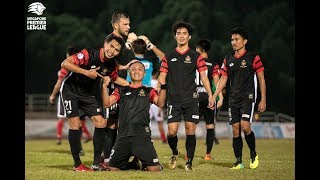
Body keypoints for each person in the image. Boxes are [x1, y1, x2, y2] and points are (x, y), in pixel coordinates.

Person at [148, 21, 214, 171]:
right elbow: (162, 76)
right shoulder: (168, 56)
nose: (181, 36)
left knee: (191, 130)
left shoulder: (196, 56)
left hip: (191, 99)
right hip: (174, 99)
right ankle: (175, 152)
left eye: (184, 33)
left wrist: (210, 95)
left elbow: (204, 77)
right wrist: (159, 88)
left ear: (189, 36)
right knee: (171, 131)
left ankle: (189, 161)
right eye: (179, 33)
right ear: (175, 36)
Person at [60, 34, 129, 172]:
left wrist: (132, 85)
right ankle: (77, 164)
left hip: (87, 94)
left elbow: (114, 79)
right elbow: (65, 63)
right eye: (111, 46)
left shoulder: (112, 64)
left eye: (116, 50)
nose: (112, 51)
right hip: (70, 91)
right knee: (75, 124)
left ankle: (96, 163)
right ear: (105, 44)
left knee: (101, 122)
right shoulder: (88, 53)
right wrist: (86, 72)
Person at [211, 26, 266, 170]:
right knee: (236, 129)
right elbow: (223, 79)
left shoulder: (253, 58)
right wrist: (215, 96)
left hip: (248, 97)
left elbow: (261, 79)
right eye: (232, 39)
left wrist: (263, 99)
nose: (233, 42)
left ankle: (253, 154)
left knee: (245, 126)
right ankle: (238, 161)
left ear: (245, 41)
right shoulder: (228, 59)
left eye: (237, 39)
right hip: (233, 99)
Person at [101, 61, 165, 172]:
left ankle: (144, 163)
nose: (136, 71)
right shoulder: (120, 90)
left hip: (142, 137)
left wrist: (163, 86)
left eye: (140, 69)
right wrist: (104, 86)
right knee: (112, 169)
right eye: (133, 69)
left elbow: (160, 103)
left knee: (154, 169)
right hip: (123, 137)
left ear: (144, 74)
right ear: (129, 73)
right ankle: (131, 165)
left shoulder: (149, 91)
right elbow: (106, 103)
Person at [49, 47, 92, 155]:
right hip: (83, 96)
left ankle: (76, 148)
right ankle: (81, 147)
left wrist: (53, 95)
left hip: (69, 96)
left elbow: (59, 84)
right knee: (80, 123)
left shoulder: (66, 68)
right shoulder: (85, 66)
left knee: (71, 123)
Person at [186, 39, 223, 161]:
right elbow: (217, 82)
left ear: (198, 49)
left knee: (192, 126)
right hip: (208, 98)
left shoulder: (193, 61)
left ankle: (188, 154)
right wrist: (220, 97)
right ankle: (208, 154)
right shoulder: (213, 64)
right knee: (210, 126)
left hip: (195, 98)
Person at [150, 72, 167, 143]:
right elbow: (161, 94)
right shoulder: (158, 82)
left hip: (150, 103)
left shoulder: (148, 82)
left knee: (146, 122)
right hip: (156, 102)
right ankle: (164, 139)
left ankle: (147, 138)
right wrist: (160, 108)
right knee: (160, 123)